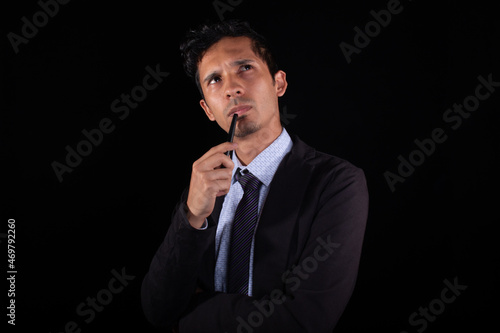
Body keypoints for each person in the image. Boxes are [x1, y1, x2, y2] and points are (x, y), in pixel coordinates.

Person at [141, 20, 369, 332]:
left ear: (279, 83)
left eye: (245, 68)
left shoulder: (337, 183)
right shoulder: (203, 187)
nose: (232, 88)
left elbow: (305, 321)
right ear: (208, 109)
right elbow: (157, 308)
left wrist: (191, 314)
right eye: (215, 80)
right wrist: (192, 216)